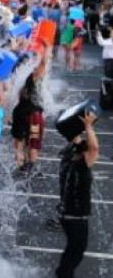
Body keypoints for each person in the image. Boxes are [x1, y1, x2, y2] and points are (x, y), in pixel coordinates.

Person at [55, 111, 99, 278]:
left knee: (71, 249)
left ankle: (62, 272)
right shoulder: (81, 164)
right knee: (76, 251)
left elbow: (79, 142)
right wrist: (87, 126)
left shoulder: (67, 155)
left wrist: (81, 129)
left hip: (65, 214)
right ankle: (63, 275)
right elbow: (94, 147)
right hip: (76, 217)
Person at [11, 42, 48, 174]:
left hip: (19, 113)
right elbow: (43, 65)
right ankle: (31, 166)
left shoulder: (16, 77)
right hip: (33, 116)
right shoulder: (31, 77)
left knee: (19, 141)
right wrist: (46, 49)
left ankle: (21, 164)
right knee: (33, 142)